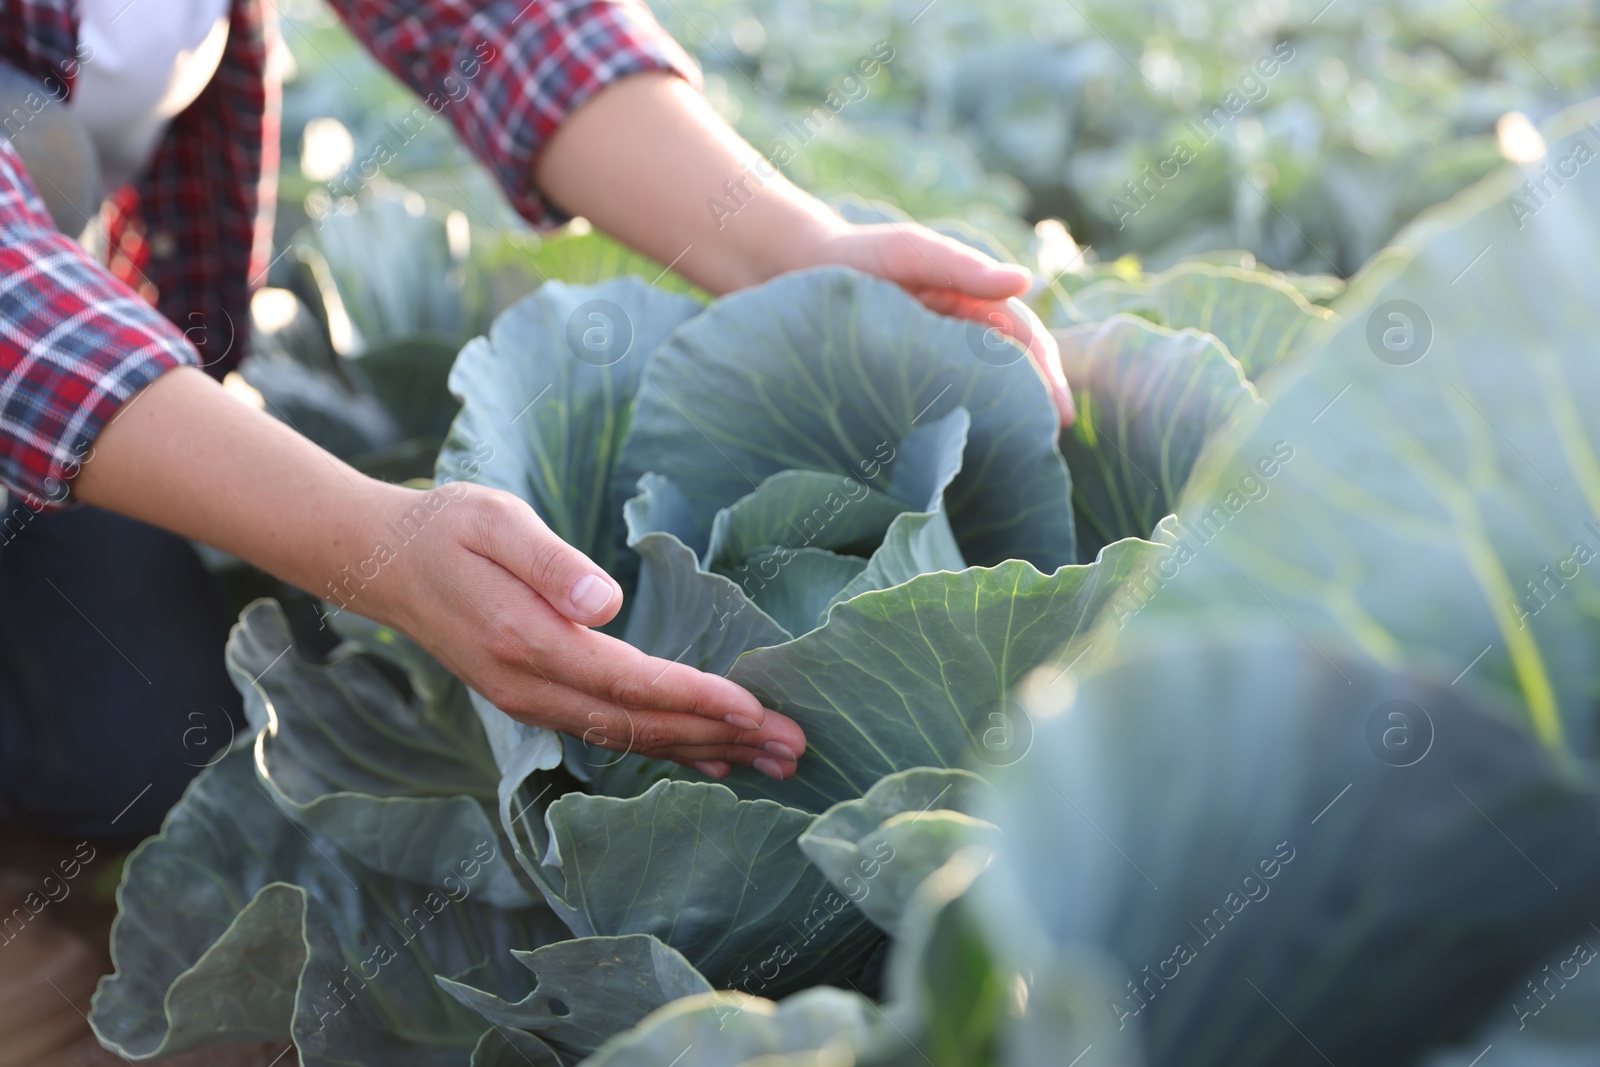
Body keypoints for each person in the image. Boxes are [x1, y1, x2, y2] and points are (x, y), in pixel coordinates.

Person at [0, 0, 1073, 843]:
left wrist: (789, 252)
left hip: (69, 336)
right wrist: (379, 547)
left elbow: (492, 15)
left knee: (136, 733)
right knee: (127, 741)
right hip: (35, 329)